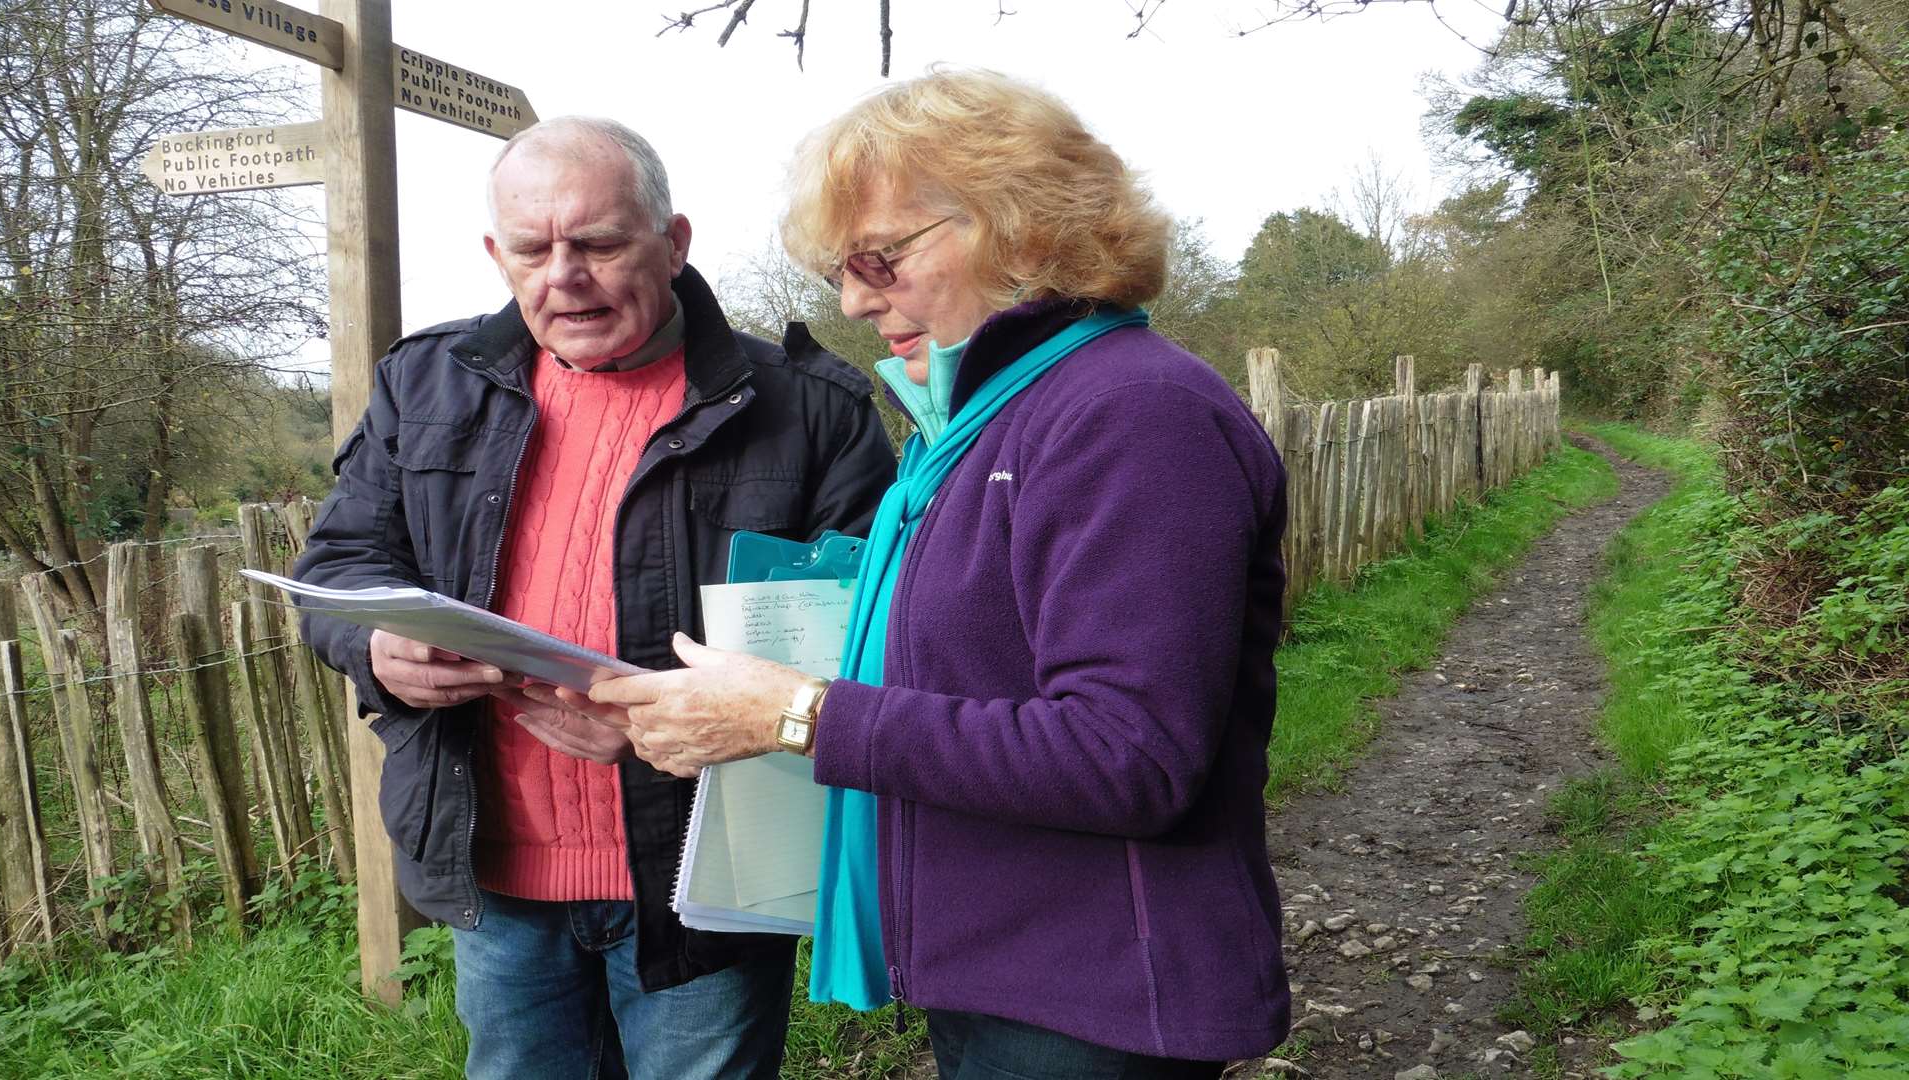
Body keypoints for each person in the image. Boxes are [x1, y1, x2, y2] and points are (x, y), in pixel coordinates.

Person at [545, 70, 1293, 1077]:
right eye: (838, 271)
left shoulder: (1130, 416)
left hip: (1094, 999)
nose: (855, 299)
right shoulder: (984, 423)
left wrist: (796, 717)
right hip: (1009, 969)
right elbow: (944, 678)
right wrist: (685, 714)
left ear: (1021, 226)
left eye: (880, 258)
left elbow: (1131, 753)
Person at [293, 116, 897, 1080]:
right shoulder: (427, 384)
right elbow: (340, 566)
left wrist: (680, 720)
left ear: (675, 242)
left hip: (703, 876)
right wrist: (375, 648)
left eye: (600, 243)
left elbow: (873, 639)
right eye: (531, 250)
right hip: (497, 874)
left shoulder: (807, 409)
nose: (562, 277)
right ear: (499, 255)